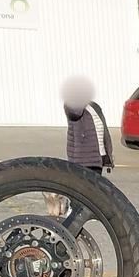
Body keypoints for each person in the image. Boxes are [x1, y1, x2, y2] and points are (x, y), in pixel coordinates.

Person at [47, 77, 112, 217]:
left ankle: (86, 212)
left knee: (93, 187)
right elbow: (75, 112)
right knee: (81, 189)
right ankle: (72, 212)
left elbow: (103, 132)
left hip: (97, 156)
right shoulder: (72, 105)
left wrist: (107, 156)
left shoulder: (93, 106)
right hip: (83, 157)